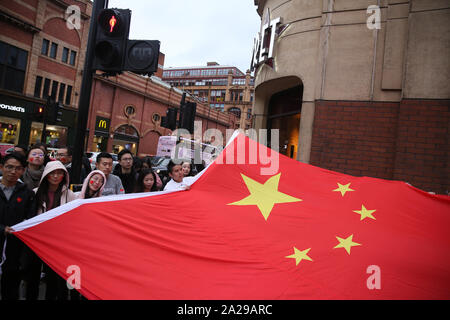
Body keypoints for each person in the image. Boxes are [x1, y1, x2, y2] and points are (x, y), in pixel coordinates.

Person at [33, 160, 77, 300]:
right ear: (46, 175)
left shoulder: (69, 195)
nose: (56, 176)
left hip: (60, 242)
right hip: (39, 241)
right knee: (34, 276)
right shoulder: (35, 193)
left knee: (56, 277)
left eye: (59, 173)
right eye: (52, 173)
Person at [0, 152, 36, 300]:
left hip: (15, 251)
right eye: (9, 167)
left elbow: (31, 218)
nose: (13, 171)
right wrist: (2, 229)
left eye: (18, 168)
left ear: (22, 170)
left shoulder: (26, 193)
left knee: (11, 289)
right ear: (1, 168)